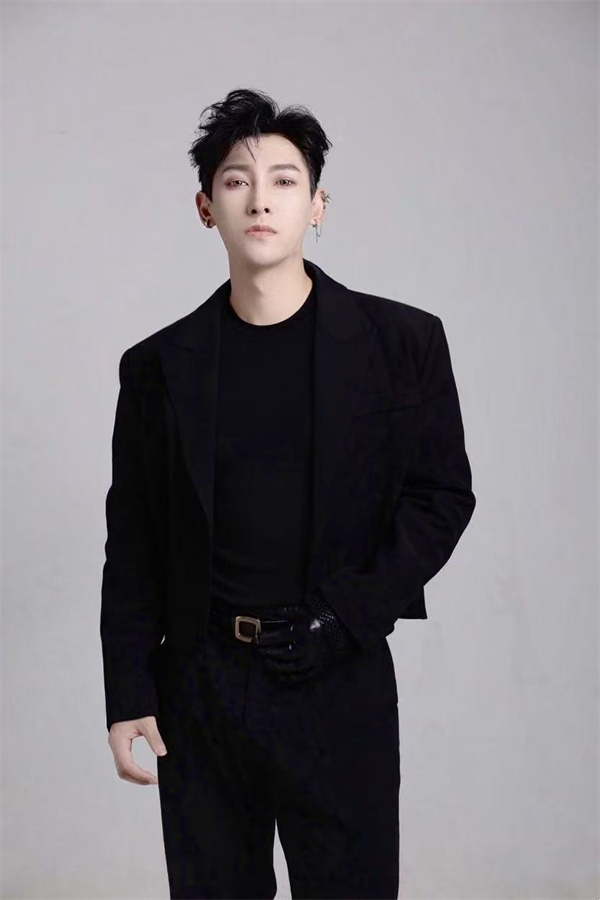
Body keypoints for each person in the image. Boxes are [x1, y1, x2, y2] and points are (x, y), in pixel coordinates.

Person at [100, 87, 476, 900]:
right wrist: (128, 690)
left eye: (283, 180)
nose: (260, 199)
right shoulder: (157, 366)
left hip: (337, 674)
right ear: (206, 208)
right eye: (236, 181)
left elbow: (442, 497)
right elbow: (133, 537)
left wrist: (343, 617)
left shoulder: (402, 343)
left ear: (317, 204)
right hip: (200, 684)